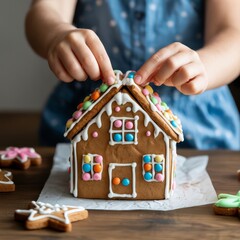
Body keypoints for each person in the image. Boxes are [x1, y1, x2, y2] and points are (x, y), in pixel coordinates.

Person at [25, 0, 240, 149]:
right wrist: (56, 35)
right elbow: (45, 9)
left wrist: (203, 65)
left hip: (202, 131)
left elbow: (232, 33)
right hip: (85, 114)